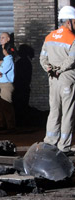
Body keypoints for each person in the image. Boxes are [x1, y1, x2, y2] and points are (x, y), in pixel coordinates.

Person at [40, 6, 75, 155]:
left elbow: (43, 58)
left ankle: (50, 141)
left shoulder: (49, 37)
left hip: (52, 80)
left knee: (54, 110)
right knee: (67, 112)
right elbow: (72, 59)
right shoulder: (72, 38)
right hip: (67, 78)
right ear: (69, 21)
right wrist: (60, 69)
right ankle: (63, 146)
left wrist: (49, 68)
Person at [0, 43, 16, 130]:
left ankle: (10, 126)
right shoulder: (7, 59)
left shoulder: (8, 60)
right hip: (3, 84)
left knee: (6, 106)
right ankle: (2, 124)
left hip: (6, 85)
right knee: (0, 106)